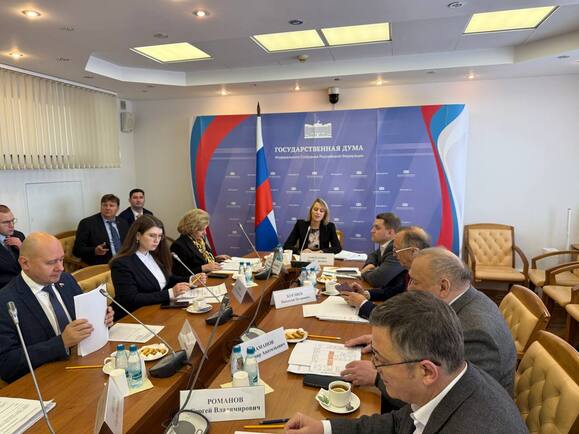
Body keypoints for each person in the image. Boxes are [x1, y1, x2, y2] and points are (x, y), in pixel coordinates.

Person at [284, 291, 527, 434]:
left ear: (426, 371)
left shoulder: (473, 426)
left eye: (381, 360)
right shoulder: (450, 381)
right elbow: (400, 422)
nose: (375, 366)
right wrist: (324, 428)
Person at [342, 247, 517, 402]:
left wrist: (377, 378)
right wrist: (391, 344)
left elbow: (445, 401)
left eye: (415, 281)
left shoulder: (475, 334)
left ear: (443, 287)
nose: (409, 288)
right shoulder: (462, 298)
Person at [0, 232, 114, 383]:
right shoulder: (5, 301)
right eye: (51, 262)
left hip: (83, 365)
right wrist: (62, 343)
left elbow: (80, 320)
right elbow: (7, 363)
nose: (60, 268)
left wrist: (100, 317)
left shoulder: (66, 280)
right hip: (44, 380)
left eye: (61, 259)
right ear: (25, 263)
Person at [110, 215, 206, 320]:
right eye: (152, 235)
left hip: (156, 310)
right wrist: (170, 293)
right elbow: (130, 299)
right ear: (138, 236)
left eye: (160, 236)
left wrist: (191, 279)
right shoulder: (121, 263)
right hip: (133, 317)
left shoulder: (152, 255)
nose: (157, 240)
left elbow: (166, 280)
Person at [342, 226, 430, 319]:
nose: (394, 255)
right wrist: (365, 294)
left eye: (396, 250)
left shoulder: (428, 278)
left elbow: (402, 318)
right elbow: (395, 291)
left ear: (413, 251)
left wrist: (362, 304)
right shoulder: (409, 269)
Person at [171, 209, 230, 276]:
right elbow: (179, 273)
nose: (205, 233)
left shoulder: (199, 240)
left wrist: (216, 259)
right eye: (202, 230)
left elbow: (202, 260)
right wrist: (203, 268)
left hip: (209, 276)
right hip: (197, 281)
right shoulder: (178, 245)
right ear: (191, 228)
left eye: (205, 229)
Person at [73, 194, 129, 265]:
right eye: (105, 205)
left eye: (111, 205)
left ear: (117, 208)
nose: (108, 208)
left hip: (124, 260)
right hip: (103, 264)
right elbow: (76, 251)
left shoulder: (123, 222)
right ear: (101, 207)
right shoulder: (87, 223)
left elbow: (128, 243)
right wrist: (94, 251)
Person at [360, 213, 403, 287]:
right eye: (373, 227)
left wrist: (364, 273)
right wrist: (370, 264)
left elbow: (377, 280)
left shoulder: (396, 250)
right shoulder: (386, 246)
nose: (372, 231)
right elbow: (374, 255)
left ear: (390, 232)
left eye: (377, 228)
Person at [0, 205, 26, 287]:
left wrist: (22, 248)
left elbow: (34, 262)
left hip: (27, 283)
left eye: (12, 220)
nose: (11, 225)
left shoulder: (19, 235)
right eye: (6, 222)